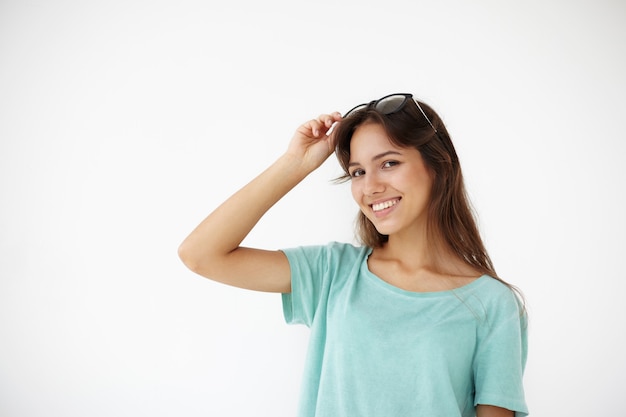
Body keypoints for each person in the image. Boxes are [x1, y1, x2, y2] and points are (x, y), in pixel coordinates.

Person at [178, 93, 528, 417]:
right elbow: (201, 254)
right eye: (357, 172)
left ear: (439, 166)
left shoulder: (491, 304)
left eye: (389, 163)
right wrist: (294, 163)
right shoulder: (333, 273)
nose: (370, 187)